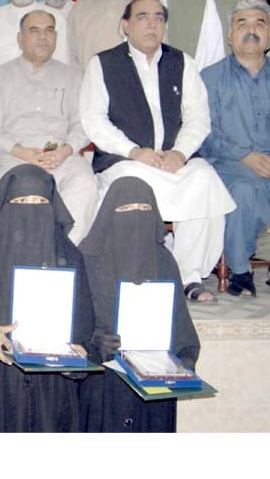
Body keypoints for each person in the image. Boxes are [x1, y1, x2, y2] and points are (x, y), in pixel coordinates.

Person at [79, 0, 235, 302]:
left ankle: (186, 274)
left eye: (158, 18)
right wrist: (134, 151)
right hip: (126, 160)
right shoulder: (103, 64)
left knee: (204, 180)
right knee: (132, 184)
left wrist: (180, 152)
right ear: (125, 25)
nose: (152, 24)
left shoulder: (182, 62)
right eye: (142, 17)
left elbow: (198, 117)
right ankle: (141, 272)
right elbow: (94, 121)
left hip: (175, 159)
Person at [0, 164, 94, 432]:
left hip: (55, 388)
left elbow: (84, 333)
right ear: (6, 206)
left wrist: (77, 361)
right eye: (21, 202)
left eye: (40, 202)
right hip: (0, 383)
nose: (30, 210)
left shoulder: (71, 259)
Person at [200, 0, 270, 298]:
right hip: (233, 166)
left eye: (259, 23)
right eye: (242, 23)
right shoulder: (210, 78)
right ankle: (240, 269)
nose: (251, 30)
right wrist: (245, 156)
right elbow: (205, 132)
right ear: (230, 35)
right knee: (243, 191)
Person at [78, 177, 200, 432]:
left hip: (154, 386)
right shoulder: (87, 259)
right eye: (124, 210)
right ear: (109, 213)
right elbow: (73, 326)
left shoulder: (164, 261)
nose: (135, 218)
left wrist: (184, 362)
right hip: (102, 385)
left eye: (144, 210)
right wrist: (94, 344)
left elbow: (181, 325)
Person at [0, 9, 97, 244]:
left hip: (61, 156)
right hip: (14, 156)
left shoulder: (73, 77)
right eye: (34, 31)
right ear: (20, 39)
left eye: (49, 31)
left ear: (56, 38)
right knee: (11, 187)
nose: (43, 37)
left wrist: (66, 150)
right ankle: (19, 257)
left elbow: (82, 123)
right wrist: (20, 152)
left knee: (85, 184)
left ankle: (63, 252)